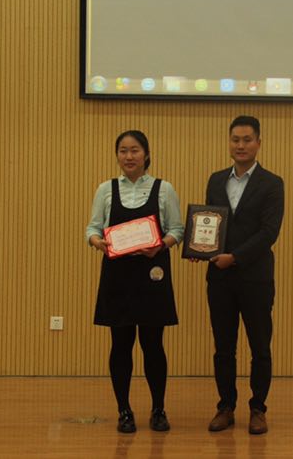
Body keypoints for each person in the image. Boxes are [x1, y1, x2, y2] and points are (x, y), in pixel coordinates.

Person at [85, 130, 184, 433]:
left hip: (152, 274)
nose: (129, 156)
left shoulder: (164, 188)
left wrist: (161, 245)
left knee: (153, 345)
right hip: (117, 275)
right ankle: (124, 411)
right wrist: (97, 242)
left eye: (135, 150)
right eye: (123, 151)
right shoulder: (106, 189)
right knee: (120, 345)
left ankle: (158, 410)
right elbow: (92, 228)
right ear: (117, 155)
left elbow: (177, 229)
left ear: (146, 154)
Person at [203, 116, 285, 435]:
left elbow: (269, 232)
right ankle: (225, 406)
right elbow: (210, 223)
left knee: (260, 347)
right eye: (235, 139)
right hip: (219, 280)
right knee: (223, 348)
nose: (240, 145)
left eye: (247, 140)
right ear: (229, 142)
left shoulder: (272, 183)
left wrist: (234, 257)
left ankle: (258, 408)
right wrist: (202, 249)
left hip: (256, 278)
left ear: (258, 143)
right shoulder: (215, 180)